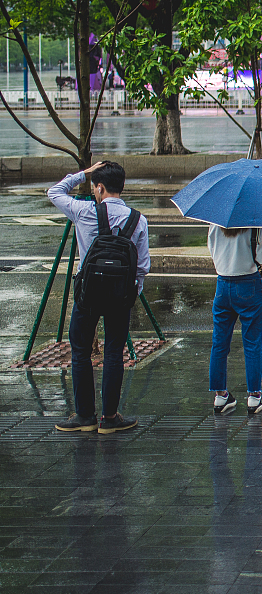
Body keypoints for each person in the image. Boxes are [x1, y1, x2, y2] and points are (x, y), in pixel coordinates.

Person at [48, 161, 149, 435]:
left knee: (80, 350)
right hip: (120, 297)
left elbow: (54, 192)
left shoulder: (83, 212)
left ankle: (84, 417)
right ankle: (110, 418)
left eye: (94, 186)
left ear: (100, 187)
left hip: (88, 295)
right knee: (115, 352)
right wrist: (130, 294)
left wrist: (83, 173)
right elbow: (142, 268)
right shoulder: (138, 219)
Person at [208, 225, 262, 414]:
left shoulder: (214, 225)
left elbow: (213, 252)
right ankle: (254, 396)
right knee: (252, 342)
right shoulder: (254, 227)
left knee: (219, 343)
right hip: (248, 285)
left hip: (222, 285)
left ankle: (221, 396)